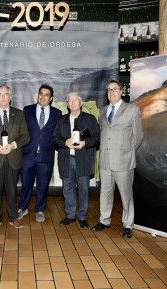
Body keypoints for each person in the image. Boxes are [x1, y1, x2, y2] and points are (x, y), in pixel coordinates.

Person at [92, 80, 143, 238]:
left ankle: (128, 224)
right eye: (108, 90)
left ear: (122, 91)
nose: (111, 92)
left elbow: (138, 135)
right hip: (105, 160)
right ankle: (104, 220)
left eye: (114, 89)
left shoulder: (132, 109)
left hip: (123, 160)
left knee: (126, 195)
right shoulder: (103, 111)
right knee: (105, 192)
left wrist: (127, 151)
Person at [0, 84, 29, 229]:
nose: (3, 97)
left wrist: (12, 145)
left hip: (13, 158)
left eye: (5, 94)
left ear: (10, 97)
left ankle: (13, 217)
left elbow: (25, 136)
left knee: (12, 191)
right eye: (0, 94)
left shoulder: (19, 114)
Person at [53, 92, 100, 229]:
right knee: (67, 189)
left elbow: (97, 138)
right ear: (67, 105)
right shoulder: (61, 120)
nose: (72, 103)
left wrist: (85, 142)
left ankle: (82, 216)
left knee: (83, 189)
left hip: (83, 159)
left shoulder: (90, 119)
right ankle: (70, 215)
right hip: (66, 160)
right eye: (69, 101)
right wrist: (64, 142)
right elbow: (54, 138)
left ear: (80, 103)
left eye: (75, 100)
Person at [18, 84, 61, 222]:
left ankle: (39, 210)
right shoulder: (27, 110)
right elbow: (22, 131)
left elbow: (56, 134)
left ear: (51, 98)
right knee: (26, 184)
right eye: (41, 93)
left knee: (43, 185)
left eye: (46, 94)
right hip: (28, 155)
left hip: (46, 156)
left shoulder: (57, 113)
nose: (43, 96)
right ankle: (22, 208)